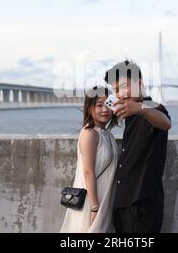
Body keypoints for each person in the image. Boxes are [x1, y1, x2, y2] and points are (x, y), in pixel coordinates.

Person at [104, 60, 171, 233]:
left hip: (142, 204)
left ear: (139, 83)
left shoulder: (152, 107)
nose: (120, 94)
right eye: (116, 90)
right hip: (123, 204)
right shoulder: (129, 116)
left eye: (124, 86)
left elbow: (165, 123)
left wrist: (141, 108)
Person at [60, 86, 120, 232]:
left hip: (105, 200)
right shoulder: (90, 133)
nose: (105, 109)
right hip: (92, 202)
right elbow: (88, 172)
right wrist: (94, 207)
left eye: (108, 104)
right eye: (99, 105)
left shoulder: (107, 135)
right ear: (89, 108)